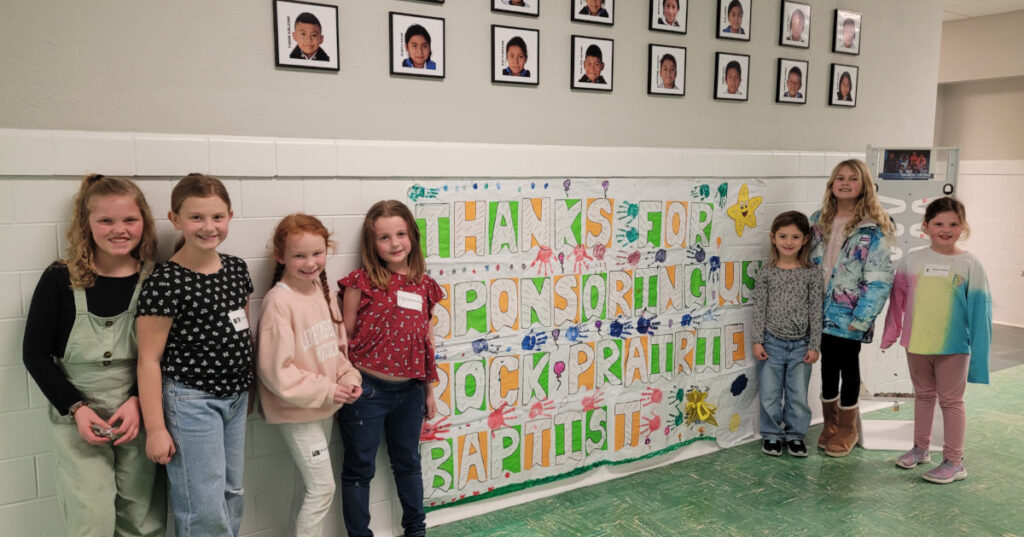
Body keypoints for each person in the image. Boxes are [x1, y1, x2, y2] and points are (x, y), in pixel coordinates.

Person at [23, 174, 166, 537]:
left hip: (138, 413)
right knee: (92, 518)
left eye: (129, 220)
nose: (119, 229)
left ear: (144, 223)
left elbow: (167, 352)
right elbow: (35, 354)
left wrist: (138, 400)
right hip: (77, 416)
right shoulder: (60, 278)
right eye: (106, 220)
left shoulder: (156, 279)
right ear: (86, 224)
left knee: (142, 518)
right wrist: (76, 408)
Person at [136, 173, 254, 536]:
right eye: (196, 217)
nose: (208, 226)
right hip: (191, 400)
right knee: (201, 503)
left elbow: (242, 329)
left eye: (217, 217)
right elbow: (148, 360)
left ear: (230, 217)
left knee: (230, 494)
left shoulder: (236, 269)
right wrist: (156, 429)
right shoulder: (165, 282)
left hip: (235, 399)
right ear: (175, 220)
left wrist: (248, 389)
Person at [336, 200, 443, 537]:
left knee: (408, 464)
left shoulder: (424, 284)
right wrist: (347, 379)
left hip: (410, 391)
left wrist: (429, 389)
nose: (395, 243)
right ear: (372, 244)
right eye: (384, 237)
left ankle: (416, 530)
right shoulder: (360, 282)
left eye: (401, 234)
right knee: (359, 469)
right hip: (368, 389)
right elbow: (346, 337)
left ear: (412, 235)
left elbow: (426, 339)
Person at [257, 214, 363, 536]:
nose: (309, 262)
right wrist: (329, 390)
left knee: (308, 489)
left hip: (322, 407)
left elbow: (335, 350)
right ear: (281, 256)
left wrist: (348, 379)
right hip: (297, 412)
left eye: (317, 253)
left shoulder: (319, 289)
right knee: (322, 489)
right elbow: (276, 371)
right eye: (299, 255)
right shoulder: (279, 302)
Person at [881, 198, 991, 484]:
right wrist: (892, 333)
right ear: (925, 226)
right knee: (924, 396)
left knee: (952, 402)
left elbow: (981, 311)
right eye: (939, 223)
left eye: (954, 224)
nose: (946, 229)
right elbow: (897, 300)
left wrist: (979, 356)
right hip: (917, 342)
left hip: (954, 347)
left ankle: (954, 461)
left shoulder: (970, 263)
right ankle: (921, 448)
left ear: (963, 227)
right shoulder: (912, 258)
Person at [809, 159, 895, 457]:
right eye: (839, 178)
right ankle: (830, 424)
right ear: (832, 184)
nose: (845, 183)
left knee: (848, 366)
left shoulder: (873, 228)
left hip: (850, 314)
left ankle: (848, 427)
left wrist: (862, 318)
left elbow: (880, 279)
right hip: (820, 310)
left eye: (852, 179)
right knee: (828, 366)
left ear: (864, 187)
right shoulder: (819, 220)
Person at [752, 211, 823, 458]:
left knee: (797, 395)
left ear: (805, 240)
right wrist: (757, 340)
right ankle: (772, 434)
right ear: (773, 238)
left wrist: (814, 345)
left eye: (795, 236)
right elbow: (759, 308)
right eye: (783, 236)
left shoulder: (812, 273)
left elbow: (816, 310)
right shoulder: (767, 272)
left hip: (801, 345)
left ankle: (795, 436)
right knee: (770, 393)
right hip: (772, 344)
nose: (789, 242)